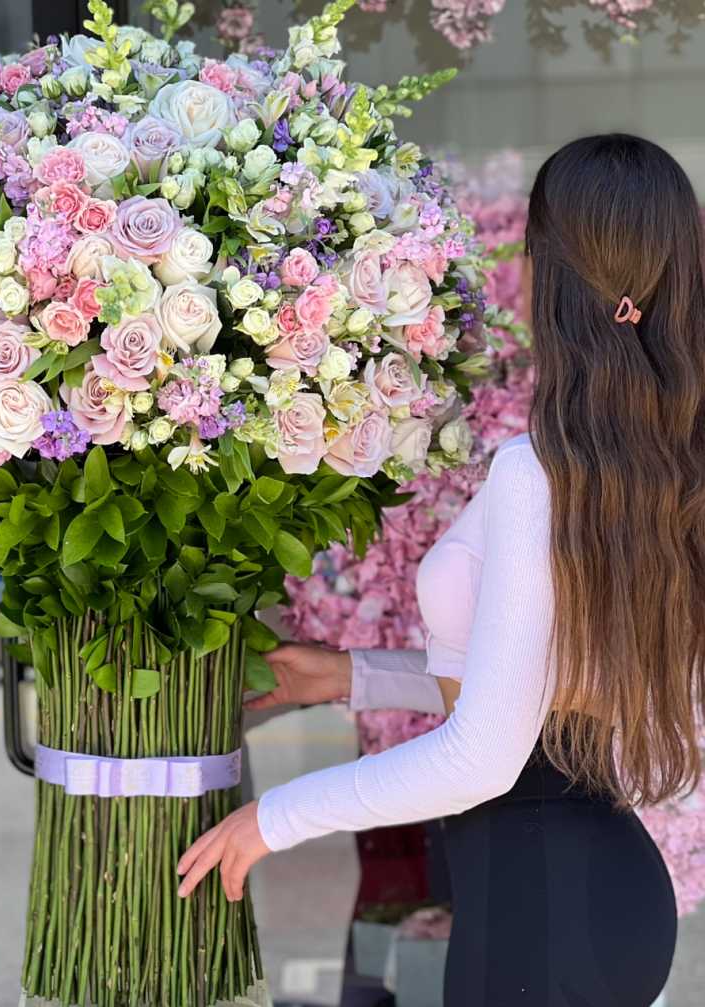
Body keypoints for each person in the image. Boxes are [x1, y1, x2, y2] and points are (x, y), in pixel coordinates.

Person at [177, 133, 705, 1006]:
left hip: (537, 911)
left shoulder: (542, 474)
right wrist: (354, 675)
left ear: (548, 273)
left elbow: (485, 756)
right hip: (594, 901)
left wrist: (274, 818)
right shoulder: (660, 469)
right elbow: (544, 682)